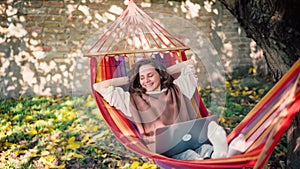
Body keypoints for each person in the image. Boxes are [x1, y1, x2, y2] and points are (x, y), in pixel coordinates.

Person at [93, 58, 245, 160]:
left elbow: (190, 63)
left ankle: (221, 154)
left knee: (208, 138)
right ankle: (227, 154)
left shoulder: (178, 88)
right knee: (191, 156)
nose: (146, 80)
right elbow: (99, 86)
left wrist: (165, 71)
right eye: (142, 77)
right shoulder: (131, 100)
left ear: (160, 75)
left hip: (193, 141)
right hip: (168, 152)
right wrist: (132, 77)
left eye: (150, 75)